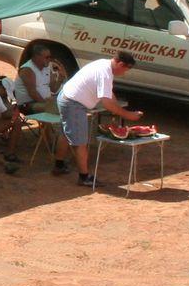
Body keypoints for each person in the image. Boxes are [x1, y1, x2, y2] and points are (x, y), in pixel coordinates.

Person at [54, 51, 142, 186]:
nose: (124, 73)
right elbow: (107, 103)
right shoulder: (105, 73)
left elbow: (108, 93)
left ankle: (59, 165)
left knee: (66, 133)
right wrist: (128, 115)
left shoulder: (104, 64)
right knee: (80, 142)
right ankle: (84, 177)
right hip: (73, 103)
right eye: (125, 69)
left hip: (67, 97)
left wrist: (118, 108)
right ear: (120, 64)